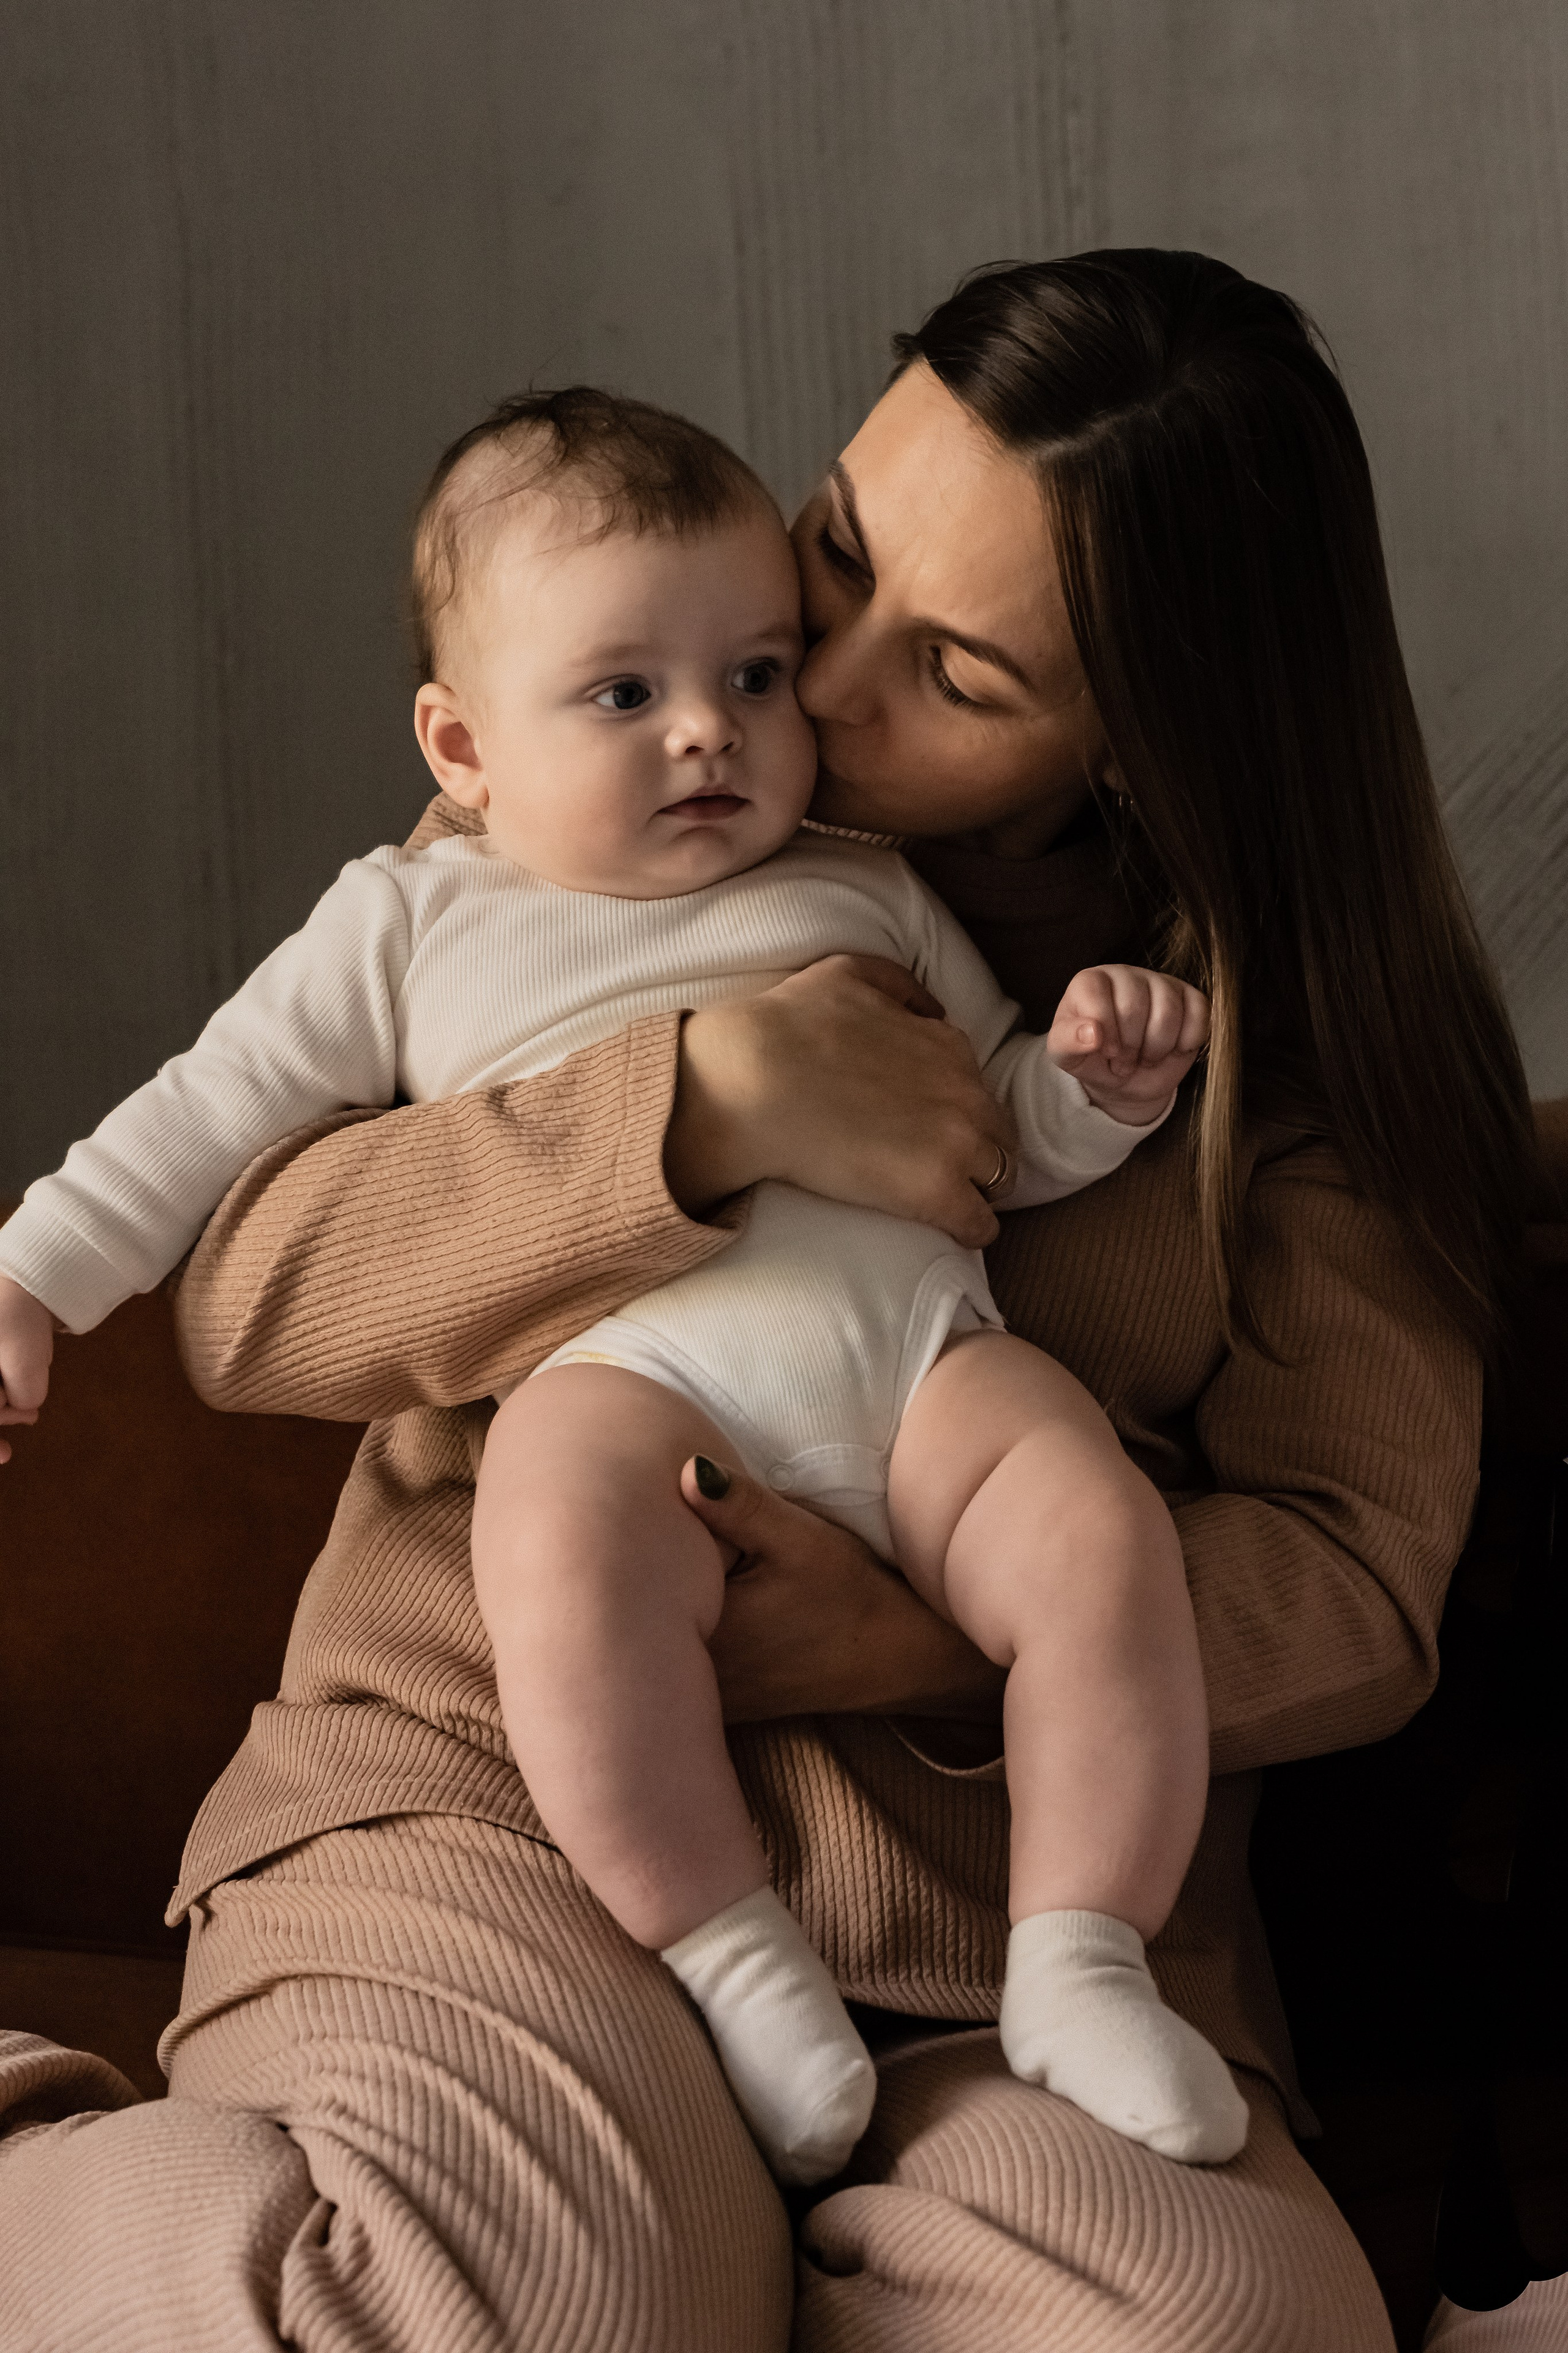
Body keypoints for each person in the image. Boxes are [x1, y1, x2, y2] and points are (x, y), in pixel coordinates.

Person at [0, 249, 1538, 2351]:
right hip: (493, 1791)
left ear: (1145, 744)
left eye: (958, 671)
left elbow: (1358, 1575)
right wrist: (691, 1108)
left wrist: (914, 1634)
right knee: (503, 2312)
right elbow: (251, 1299)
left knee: (1205, 2330)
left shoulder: (1269, 1056)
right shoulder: (588, 807)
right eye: (839, 547)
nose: (796, 673)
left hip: (1011, 1904)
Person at [0, 384, 1235, 2184]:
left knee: (1094, 1526)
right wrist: (33, 1265)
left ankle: (1078, 1951)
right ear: (463, 744)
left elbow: (1004, 1136)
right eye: (623, 694)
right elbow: (207, 1130)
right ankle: (726, 1946)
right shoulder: (415, 919)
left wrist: (1099, 1085)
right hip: (632, 1382)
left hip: (915, 1367)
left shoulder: (868, 888)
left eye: (751, 673)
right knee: (556, 1541)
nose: (715, 735)